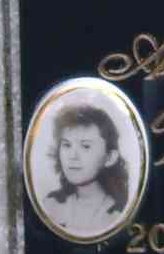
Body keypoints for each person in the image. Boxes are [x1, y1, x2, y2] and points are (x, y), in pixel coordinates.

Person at [45, 102, 130, 239]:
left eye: (85, 146)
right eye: (67, 145)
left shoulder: (119, 213)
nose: (72, 156)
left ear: (110, 157)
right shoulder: (51, 203)